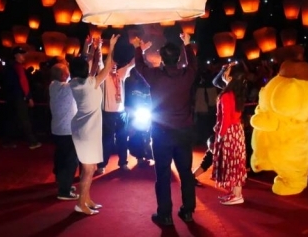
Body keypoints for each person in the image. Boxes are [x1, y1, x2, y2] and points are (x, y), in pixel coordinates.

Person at [134, 32, 198, 227]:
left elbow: (140, 66)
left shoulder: (155, 76)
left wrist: (139, 48)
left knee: (162, 174)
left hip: (161, 132)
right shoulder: (187, 75)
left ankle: (165, 214)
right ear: (178, 58)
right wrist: (187, 45)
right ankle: (187, 212)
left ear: (162, 57)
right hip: (183, 131)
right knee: (185, 172)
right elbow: (194, 65)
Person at [69, 34, 119, 216]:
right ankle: (80, 204)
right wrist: (110, 47)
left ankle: (86, 198)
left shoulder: (74, 82)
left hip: (85, 128)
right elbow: (105, 67)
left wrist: (87, 46)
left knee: (88, 167)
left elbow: (84, 63)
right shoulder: (89, 84)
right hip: (88, 130)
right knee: (89, 169)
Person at [210, 61, 248, 205]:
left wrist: (221, 133)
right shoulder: (236, 90)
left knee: (232, 163)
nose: (225, 74)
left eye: (227, 72)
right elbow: (215, 81)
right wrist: (224, 69)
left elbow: (226, 117)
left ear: (231, 77)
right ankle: (234, 193)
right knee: (236, 162)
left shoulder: (227, 94)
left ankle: (237, 195)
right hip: (235, 130)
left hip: (229, 131)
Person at [49, 61, 79, 201]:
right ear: (63, 75)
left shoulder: (52, 86)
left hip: (57, 129)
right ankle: (64, 191)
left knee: (61, 158)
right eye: (67, 71)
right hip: (67, 130)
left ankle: (63, 184)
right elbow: (80, 79)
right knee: (70, 161)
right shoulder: (68, 88)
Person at [3, 47, 40, 149]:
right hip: (18, 97)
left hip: (11, 96)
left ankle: (8, 141)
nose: (24, 56)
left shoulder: (10, 66)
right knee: (24, 118)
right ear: (16, 55)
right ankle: (32, 141)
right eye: (21, 54)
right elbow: (23, 82)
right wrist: (28, 97)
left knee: (12, 118)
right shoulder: (18, 67)